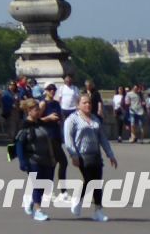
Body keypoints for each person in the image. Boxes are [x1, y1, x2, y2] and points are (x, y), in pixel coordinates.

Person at [63, 92, 117, 221]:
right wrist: (73, 155)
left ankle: (98, 211)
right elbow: (68, 138)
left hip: (95, 155)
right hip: (82, 155)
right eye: (84, 103)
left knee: (97, 182)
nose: (88, 105)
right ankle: (78, 199)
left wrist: (110, 155)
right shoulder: (72, 119)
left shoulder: (95, 119)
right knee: (89, 180)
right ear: (78, 105)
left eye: (89, 103)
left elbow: (102, 138)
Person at [14, 98, 54, 221]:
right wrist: (22, 162)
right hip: (32, 159)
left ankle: (32, 200)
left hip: (46, 158)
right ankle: (38, 210)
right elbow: (19, 144)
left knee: (47, 184)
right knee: (38, 184)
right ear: (29, 111)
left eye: (39, 110)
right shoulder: (24, 126)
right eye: (36, 110)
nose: (38, 112)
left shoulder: (39, 123)